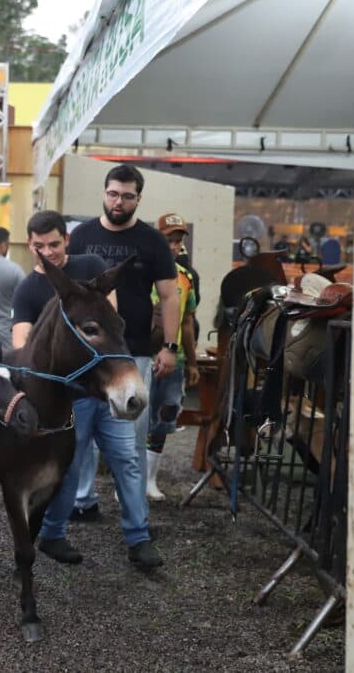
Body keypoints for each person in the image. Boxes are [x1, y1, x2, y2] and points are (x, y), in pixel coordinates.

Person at [11, 210, 163, 569]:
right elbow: (21, 341)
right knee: (71, 466)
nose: (48, 252)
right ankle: (52, 534)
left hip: (107, 384)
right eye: (40, 246)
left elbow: (109, 323)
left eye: (54, 243)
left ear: (67, 240)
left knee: (126, 458)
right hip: (69, 396)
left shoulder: (91, 265)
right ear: (30, 245)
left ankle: (139, 538)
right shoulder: (28, 289)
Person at [66, 164, 180, 524]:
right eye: (113, 194)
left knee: (132, 429)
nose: (119, 201)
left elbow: (170, 296)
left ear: (138, 199)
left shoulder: (153, 241)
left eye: (127, 196)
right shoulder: (81, 236)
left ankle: (132, 506)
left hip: (135, 351)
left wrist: (170, 346)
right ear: (104, 193)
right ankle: (82, 500)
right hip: (86, 353)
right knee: (80, 429)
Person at [145, 213, 201, 501]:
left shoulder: (186, 277)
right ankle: (128, 481)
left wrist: (192, 362)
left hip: (174, 361)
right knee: (136, 419)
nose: (175, 246)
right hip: (143, 358)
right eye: (169, 240)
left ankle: (149, 479)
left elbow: (188, 322)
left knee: (165, 417)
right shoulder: (141, 271)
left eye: (178, 241)